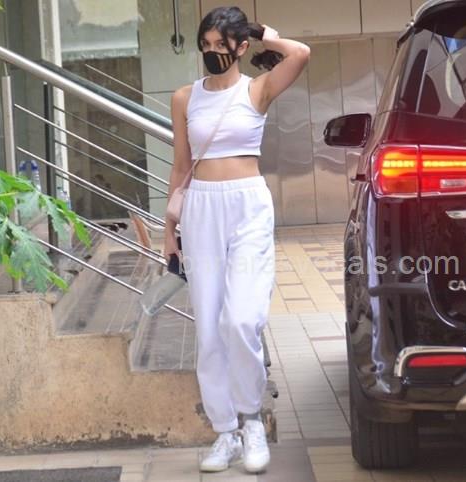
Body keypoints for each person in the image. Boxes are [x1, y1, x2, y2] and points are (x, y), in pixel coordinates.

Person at [165, 6, 309, 474]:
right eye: (205, 45)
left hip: (247, 206)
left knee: (241, 320)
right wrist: (169, 229)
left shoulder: (257, 89)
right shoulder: (185, 98)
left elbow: (300, 53)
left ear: (241, 47)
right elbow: (181, 166)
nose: (211, 53)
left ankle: (252, 421)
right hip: (200, 209)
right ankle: (225, 432)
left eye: (220, 45)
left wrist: (266, 33)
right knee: (209, 328)